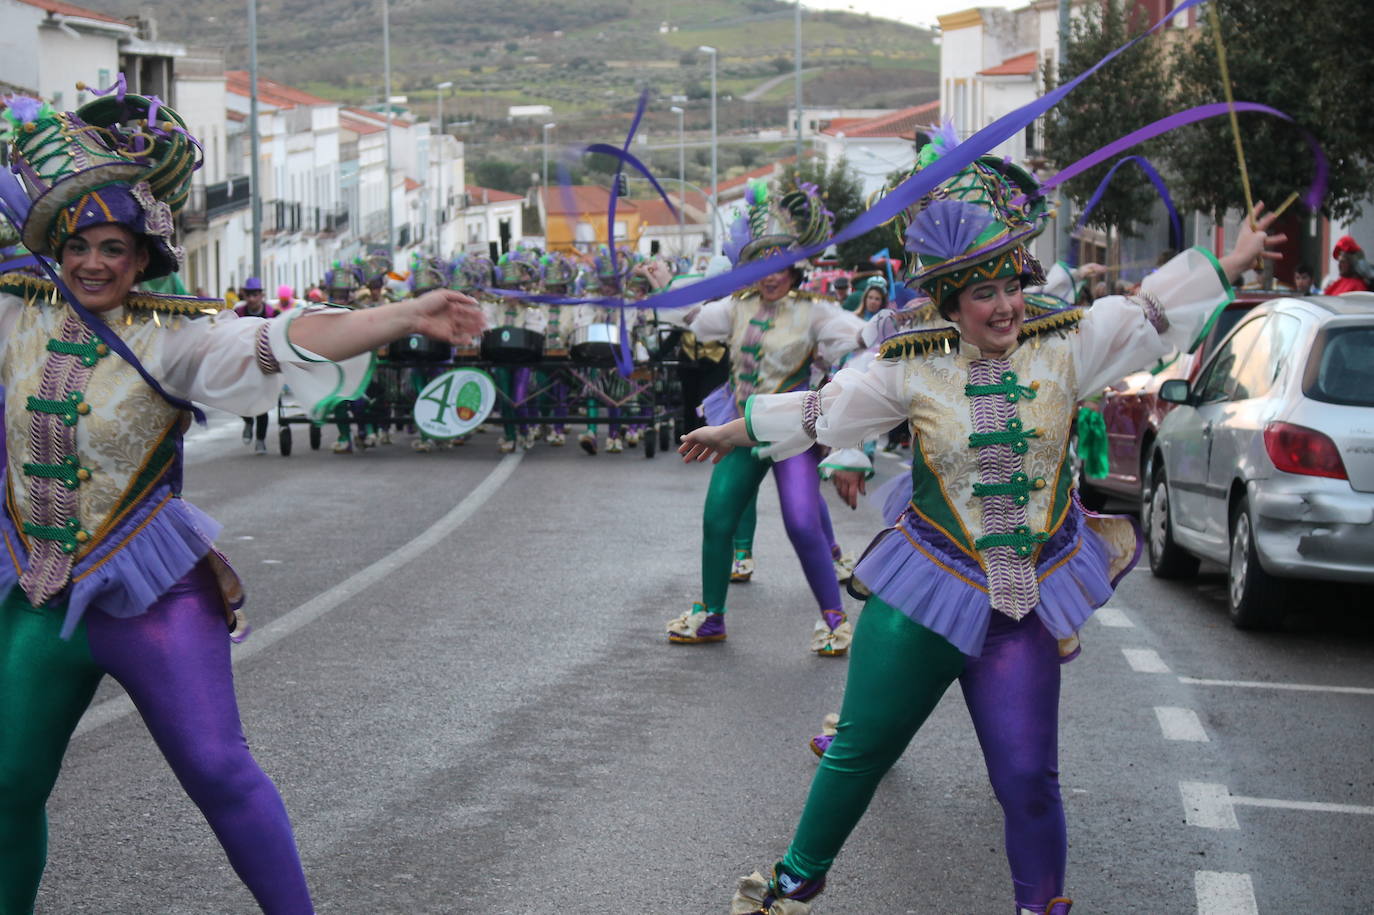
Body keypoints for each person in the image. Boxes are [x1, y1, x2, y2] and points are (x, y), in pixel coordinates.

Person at [679, 134, 1282, 914]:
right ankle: (796, 878)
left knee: (1029, 778)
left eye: (1010, 285)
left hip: (1017, 606)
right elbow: (828, 410)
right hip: (926, 595)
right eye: (982, 294)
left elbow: (1149, 314)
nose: (1004, 306)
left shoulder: (1068, 345)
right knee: (861, 749)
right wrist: (735, 429)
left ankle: (1042, 906)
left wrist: (1229, 263)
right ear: (950, 302)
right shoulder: (911, 361)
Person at [0, 88, 484, 915]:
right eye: (76, 244)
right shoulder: (15, 314)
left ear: (144, 253)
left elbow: (281, 341)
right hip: (40, 594)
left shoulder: (178, 337)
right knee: (6, 785)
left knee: (219, 771)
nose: (92, 264)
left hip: (148, 592)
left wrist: (401, 313)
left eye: (113, 247)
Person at [663, 179, 867, 657]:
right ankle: (711, 615)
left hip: (790, 431)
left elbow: (859, 341)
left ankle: (834, 620)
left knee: (801, 522)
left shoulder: (815, 313)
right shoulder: (735, 311)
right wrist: (657, 289)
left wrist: (897, 327)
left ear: (792, 265)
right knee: (717, 518)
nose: (770, 274)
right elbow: (690, 315)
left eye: (777, 262)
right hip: (740, 429)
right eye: (760, 263)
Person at [234, 277, 280, 455]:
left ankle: (260, 440)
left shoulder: (272, 313)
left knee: (262, 403)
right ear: (244, 295)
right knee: (241, 399)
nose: (252, 299)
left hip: (265, 363)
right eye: (249, 295)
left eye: (255, 295)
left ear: (262, 295)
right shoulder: (238, 313)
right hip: (243, 364)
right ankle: (247, 421)